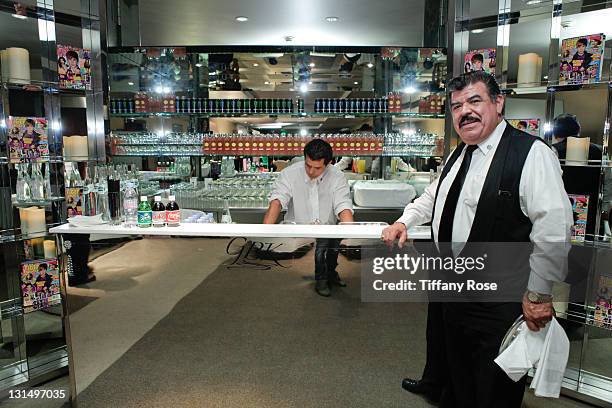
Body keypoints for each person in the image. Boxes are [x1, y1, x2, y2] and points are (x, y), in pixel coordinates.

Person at [382, 71, 572, 407]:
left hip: (499, 300)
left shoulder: (531, 154)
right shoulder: (459, 153)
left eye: (474, 101)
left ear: (498, 103)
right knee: (459, 380)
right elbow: (433, 195)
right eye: (456, 106)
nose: (464, 112)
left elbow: (553, 230)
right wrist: (404, 220)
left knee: (492, 389)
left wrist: (540, 293)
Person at [263, 139, 354, 297]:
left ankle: (331, 274)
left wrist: (352, 233)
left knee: (332, 251)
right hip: (300, 225)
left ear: (328, 163)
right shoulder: (290, 173)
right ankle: (321, 280)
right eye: (308, 165)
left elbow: (343, 204)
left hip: (328, 225)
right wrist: (264, 234)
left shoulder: (337, 176)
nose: (311, 171)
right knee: (320, 252)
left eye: (317, 167)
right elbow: (277, 201)